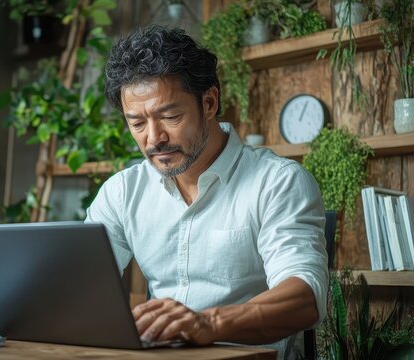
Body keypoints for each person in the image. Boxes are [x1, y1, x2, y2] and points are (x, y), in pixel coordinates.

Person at [85, 25, 328, 358]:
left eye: (170, 115)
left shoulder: (278, 182)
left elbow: (305, 298)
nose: (154, 138)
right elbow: (78, 287)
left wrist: (208, 323)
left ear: (209, 102)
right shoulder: (122, 193)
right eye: (137, 123)